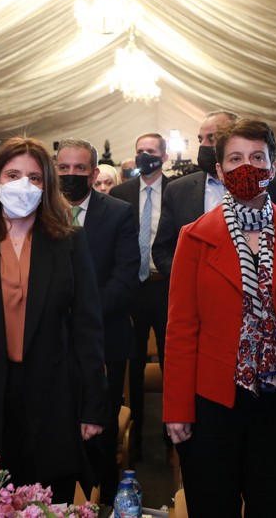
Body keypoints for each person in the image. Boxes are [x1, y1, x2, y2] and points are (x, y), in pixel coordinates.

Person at [163, 118, 276, 517]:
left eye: (257, 157)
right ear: (220, 169)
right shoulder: (194, 237)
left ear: (273, 167)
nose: (247, 167)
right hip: (213, 404)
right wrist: (177, 408)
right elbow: (181, 329)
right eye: (236, 158)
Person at [0, 136, 108, 504]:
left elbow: (87, 329)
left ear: (47, 186)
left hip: (54, 398)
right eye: (13, 175)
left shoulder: (69, 242)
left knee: (49, 504)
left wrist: (93, 407)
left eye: (34, 177)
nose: (23, 185)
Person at [55, 138, 139, 504]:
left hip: (105, 338)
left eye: (79, 168)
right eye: (64, 168)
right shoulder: (40, 211)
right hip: (51, 340)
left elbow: (125, 277)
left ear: (93, 172)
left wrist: (82, 314)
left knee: (99, 429)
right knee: (56, 424)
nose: (71, 174)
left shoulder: (119, 212)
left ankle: (102, 502)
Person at [152, 110, 276, 278]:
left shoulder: (274, 187)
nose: (203, 145)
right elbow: (163, 250)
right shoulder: (177, 190)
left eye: (211, 138)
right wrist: (193, 279)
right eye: (200, 139)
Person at [110, 133, 169, 457]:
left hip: (165, 285)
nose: (145, 156)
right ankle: (135, 439)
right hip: (130, 287)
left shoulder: (176, 191)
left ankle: (171, 437)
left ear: (164, 156)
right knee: (130, 361)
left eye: (151, 151)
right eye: (140, 151)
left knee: (171, 360)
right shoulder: (121, 193)